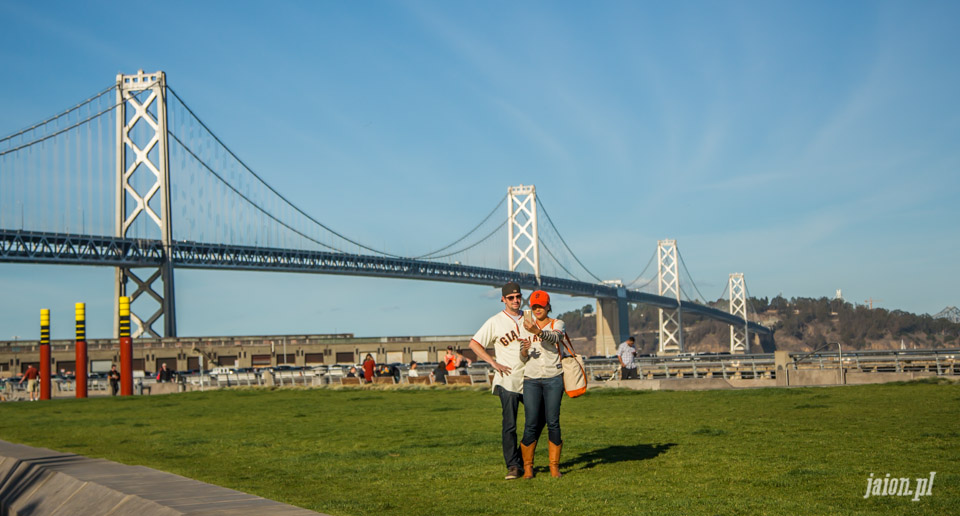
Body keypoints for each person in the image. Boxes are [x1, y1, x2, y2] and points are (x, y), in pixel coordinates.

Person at [468, 281, 535, 480]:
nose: (516, 300)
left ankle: (526, 461)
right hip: (508, 380)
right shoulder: (495, 321)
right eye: (511, 298)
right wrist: (493, 363)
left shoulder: (530, 317)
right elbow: (474, 343)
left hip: (531, 377)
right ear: (503, 299)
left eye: (518, 296)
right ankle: (513, 466)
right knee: (510, 425)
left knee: (537, 421)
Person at [519, 290, 567, 478]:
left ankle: (554, 466)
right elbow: (522, 359)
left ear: (548, 306)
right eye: (534, 306)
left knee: (553, 422)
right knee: (530, 423)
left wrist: (537, 332)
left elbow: (556, 338)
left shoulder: (558, 324)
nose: (538, 309)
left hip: (553, 377)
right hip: (531, 378)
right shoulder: (524, 327)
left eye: (541, 306)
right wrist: (524, 351)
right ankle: (528, 467)